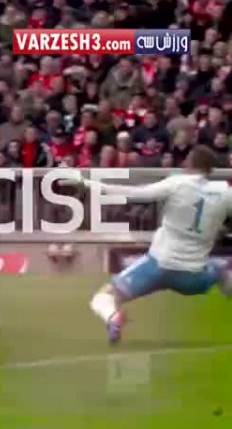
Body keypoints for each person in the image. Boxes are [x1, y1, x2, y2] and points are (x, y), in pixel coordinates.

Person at [80, 145, 232, 344]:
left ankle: (113, 317)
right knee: (221, 270)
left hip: (158, 266)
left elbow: (134, 194)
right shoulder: (224, 192)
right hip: (192, 276)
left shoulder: (178, 183)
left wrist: (87, 183)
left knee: (103, 297)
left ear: (188, 162)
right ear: (211, 168)